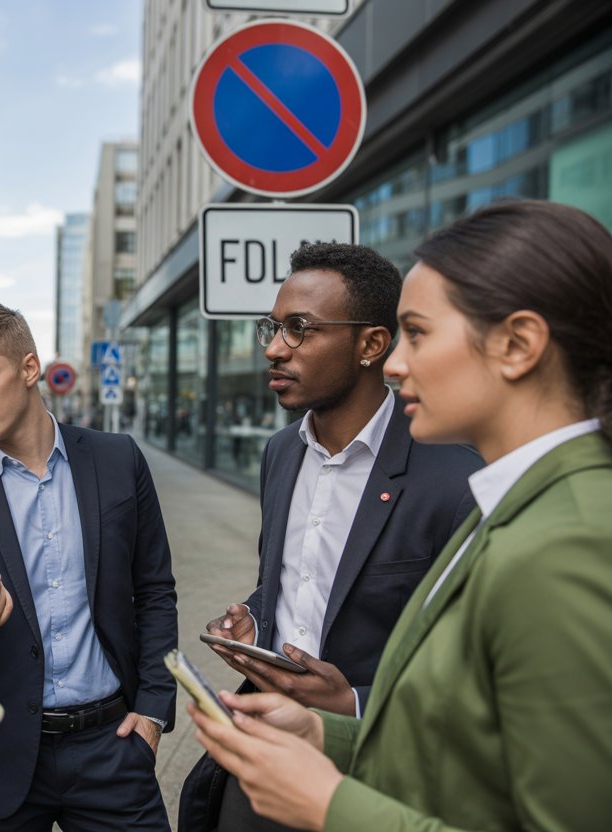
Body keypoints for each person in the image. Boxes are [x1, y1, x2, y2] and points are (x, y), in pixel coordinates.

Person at [191, 200, 612, 832]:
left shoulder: (569, 538)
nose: (394, 365)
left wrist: (330, 804)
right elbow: (459, 734)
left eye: (416, 333)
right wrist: (322, 734)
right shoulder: (512, 502)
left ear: (519, 344)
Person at [179, 244, 480, 831]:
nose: (272, 348)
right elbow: (287, 584)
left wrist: (354, 704)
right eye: (273, 327)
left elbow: (470, 669)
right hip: (267, 751)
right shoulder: (280, 452)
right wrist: (253, 624)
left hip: (379, 773)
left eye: (299, 330)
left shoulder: (456, 478)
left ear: (371, 345)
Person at [0, 301, 178, 830]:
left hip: (112, 746)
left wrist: (153, 710)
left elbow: (155, 590)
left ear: (29, 369)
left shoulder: (118, 458)